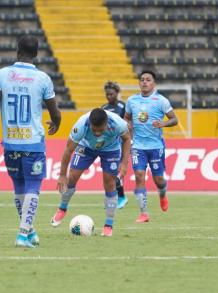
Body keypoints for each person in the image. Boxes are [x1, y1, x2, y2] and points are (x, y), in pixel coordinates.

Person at [0, 35, 61, 248]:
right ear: (36, 54)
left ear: (17, 52)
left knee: (19, 186)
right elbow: (54, 111)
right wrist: (56, 122)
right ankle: (23, 235)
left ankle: (30, 231)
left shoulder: (3, 74)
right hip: (33, 143)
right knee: (33, 186)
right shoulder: (43, 78)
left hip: (11, 143)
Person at [50, 108, 131, 237]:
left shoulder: (117, 123)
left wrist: (124, 163)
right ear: (90, 123)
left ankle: (108, 225)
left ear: (106, 123)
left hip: (111, 149)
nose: (98, 133)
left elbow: (127, 139)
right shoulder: (81, 125)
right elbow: (68, 151)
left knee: (110, 183)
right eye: (95, 130)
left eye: (101, 130)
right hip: (86, 147)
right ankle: (62, 208)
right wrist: (61, 175)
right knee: (72, 177)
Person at [124, 70, 178, 223]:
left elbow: (174, 119)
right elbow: (126, 118)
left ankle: (162, 194)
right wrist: (128, 125)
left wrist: (163, 123)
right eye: (142, 79)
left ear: (154, 83)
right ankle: (143, 213)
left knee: (158, 180)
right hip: (138, 147)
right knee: (139, 176)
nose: (144, 82)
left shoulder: (161, 101)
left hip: (155, 146)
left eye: (148, 79)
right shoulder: (132, 101)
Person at [101, 81, 128, 210]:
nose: (109, 96)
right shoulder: (104, 108)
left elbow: (129, 124)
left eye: (111, 94)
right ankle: (118, 197)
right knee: (111, 171)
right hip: (109, 144)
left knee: (116, 171)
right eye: (107, 94)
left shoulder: (123, 106)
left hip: (122, 143)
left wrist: (131, 140)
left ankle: (121, 197)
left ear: (117, 93)